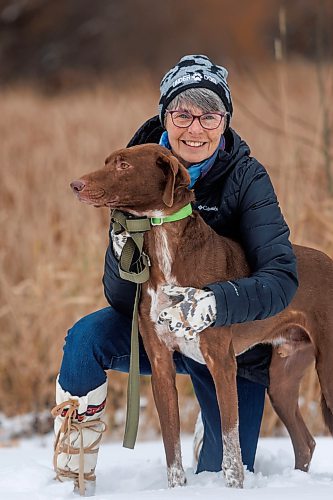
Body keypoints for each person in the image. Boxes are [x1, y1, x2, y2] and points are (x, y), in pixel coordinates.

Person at [52, 54, 298, 494]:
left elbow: (281, 278)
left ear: (225, 121)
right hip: (159, 330)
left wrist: (215, 302)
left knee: (217, 470)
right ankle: (74, 457)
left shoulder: (246, 178)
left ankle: (209, 422)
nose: (196, 128)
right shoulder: (131, 174)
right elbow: (122, 301)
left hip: (229, 344)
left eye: (210, 115)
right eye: (183, 114)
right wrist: (123, 249)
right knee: (85, 337)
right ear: (165, 116)